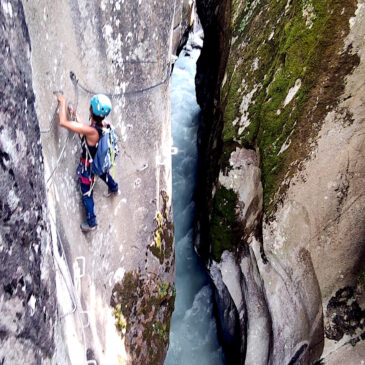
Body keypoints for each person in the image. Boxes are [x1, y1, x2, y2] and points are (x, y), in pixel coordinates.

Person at [57, 93, 119, 232]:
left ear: (92, 110)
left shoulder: (92, 131)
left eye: (91, 106)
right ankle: (114, 188)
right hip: (100, 160)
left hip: (89, 165)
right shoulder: (104, 125)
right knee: (103, 173)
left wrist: (62, 102)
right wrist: (75, 115)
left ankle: (92, 222)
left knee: (87, 193)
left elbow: (63, 122)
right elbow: (85, 128)